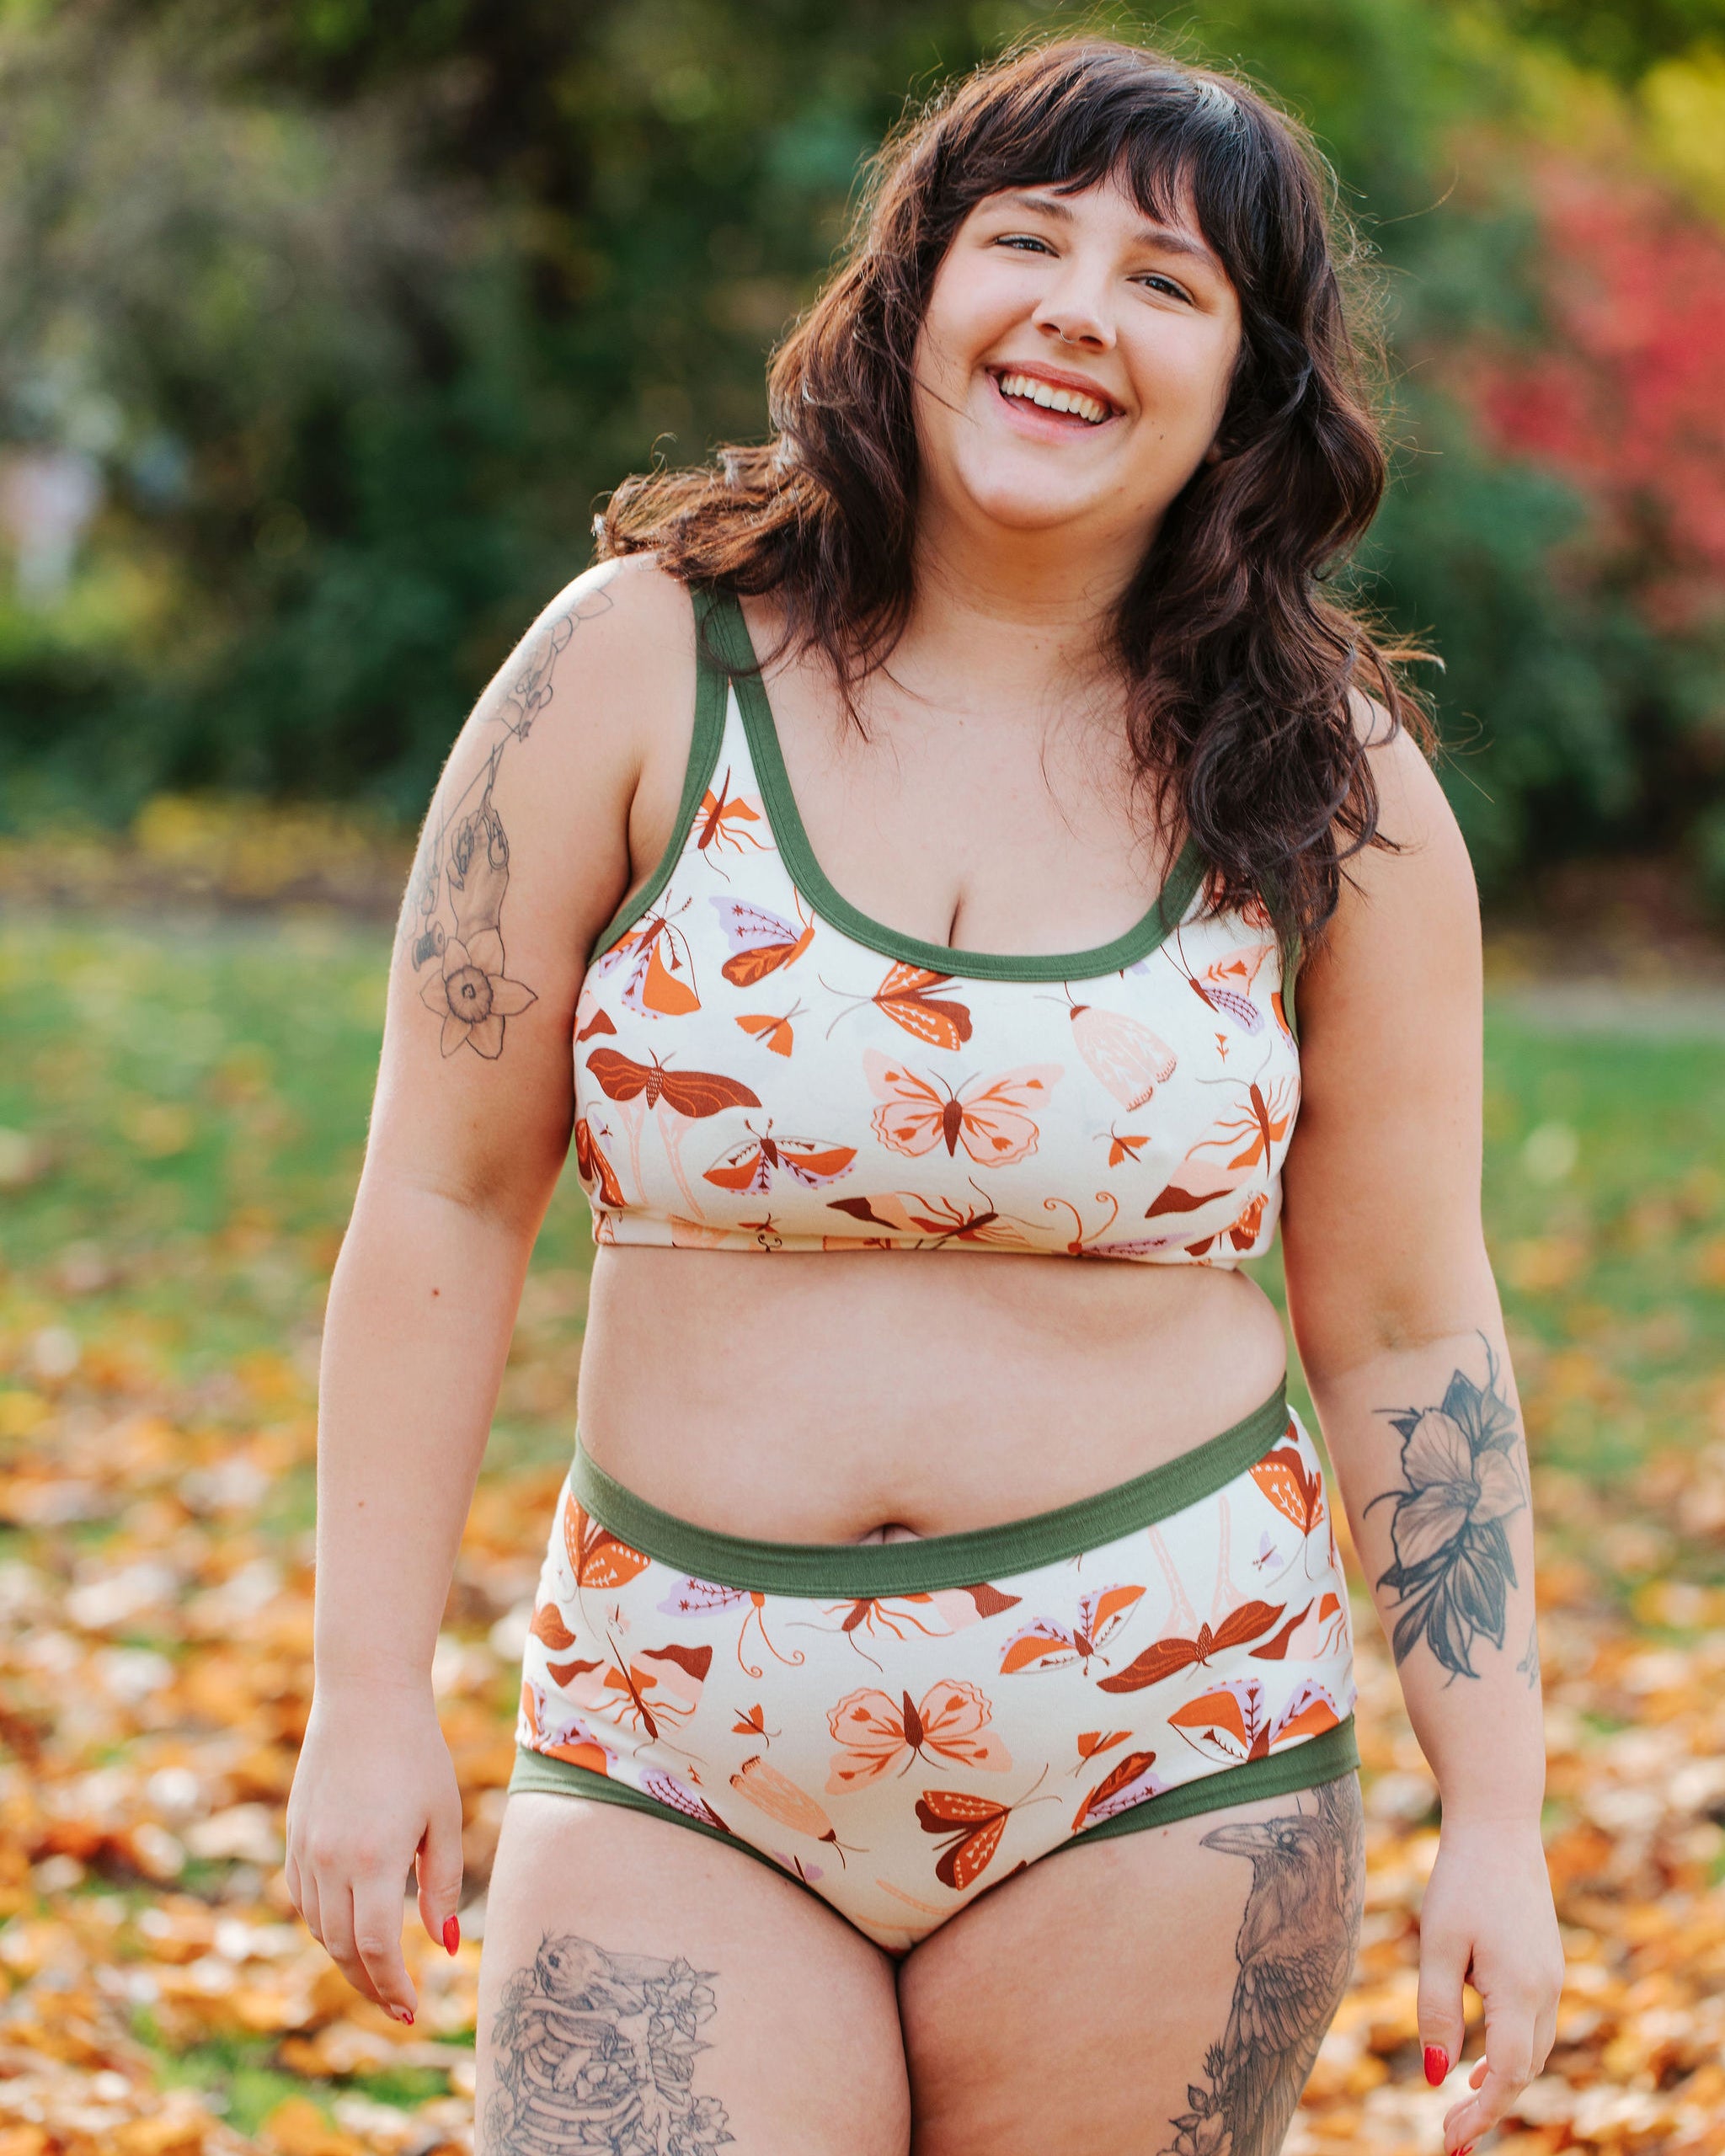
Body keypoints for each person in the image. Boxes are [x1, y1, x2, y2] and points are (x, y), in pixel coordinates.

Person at [285, 35, 1563, 2156]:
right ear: (916, 290)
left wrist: (1497, 1816)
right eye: (1027, 240)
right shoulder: (632, 661)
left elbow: (1416, 1320)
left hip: (1170, 1743)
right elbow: (435, 1196)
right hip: (676, 1730)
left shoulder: (1342, 789)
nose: (1078, 308)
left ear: (1247, 384)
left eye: (1166, 281)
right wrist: (360, 1698)